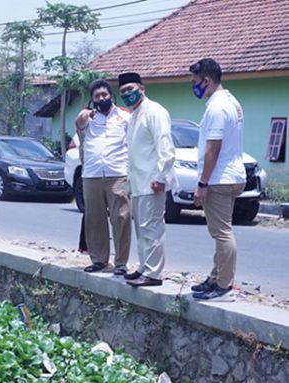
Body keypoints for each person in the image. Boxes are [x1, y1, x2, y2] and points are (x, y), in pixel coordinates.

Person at [188, 58, 246, 301]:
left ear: (207, 80)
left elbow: (213, 148)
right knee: (219, 230)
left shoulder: (217, 107)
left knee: (222, 232)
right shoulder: (230, 101)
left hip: (220, 178)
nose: (193, 86)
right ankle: (216, 276)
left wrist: (202, 184)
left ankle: (223, 286)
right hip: (230, 174)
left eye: (194, 81)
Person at [117, 72, 176, 287]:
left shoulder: (155, 112)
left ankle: (153, 273)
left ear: (142, 88)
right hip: (139, 182)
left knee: (152, 227)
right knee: (141, 228)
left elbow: (165, 148)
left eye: (130, 89)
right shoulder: (134, 115)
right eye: (122, 91)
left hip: (153, 182)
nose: (127, 94)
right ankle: (144, 267)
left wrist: (161, 177)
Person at [75, 79, 132, 276]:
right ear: (92, 100)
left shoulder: (125, 117)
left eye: (104, 95)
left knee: (122, 217)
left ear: (111, 96)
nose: (101, 99)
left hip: (120, 175)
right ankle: (99, 260)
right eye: (97, 96)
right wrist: (83, 115)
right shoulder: (88, 119)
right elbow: (79, 125)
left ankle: (121, 263)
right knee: (94, 218)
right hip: (91, 175)